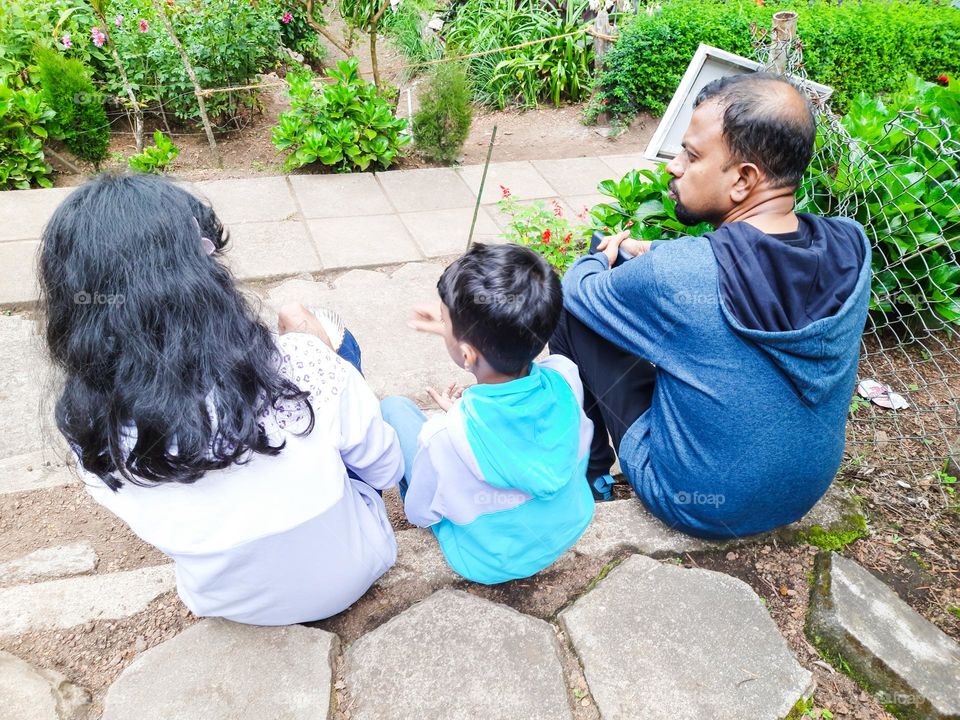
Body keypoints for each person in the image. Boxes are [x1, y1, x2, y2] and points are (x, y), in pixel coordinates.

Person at [39, 173, 403, 625]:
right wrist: (323, 356)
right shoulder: (293, 363)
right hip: (356, 568)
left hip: (230, 604)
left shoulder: (86, 422)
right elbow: (386, 470)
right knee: (332, 348)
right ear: (203, 277)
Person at [551, 72, 871, 538]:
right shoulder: (851, 244)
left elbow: (577, 290)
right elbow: (756, 270)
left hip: (696, 502)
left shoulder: (683, 275)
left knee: (576, 313)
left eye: (692, 154)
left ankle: (589, 474)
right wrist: (653, 254)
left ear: (744, 179)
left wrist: (597, 256)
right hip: (803, 489)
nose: (673, 166)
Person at [380, 243, 595, 584]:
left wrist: (455, 421)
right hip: (569, 527)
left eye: (446, 320)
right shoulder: (566, 376)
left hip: (488, 563)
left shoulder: (443, 436)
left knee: (393, 408)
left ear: (467, 355)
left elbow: (420, 513)